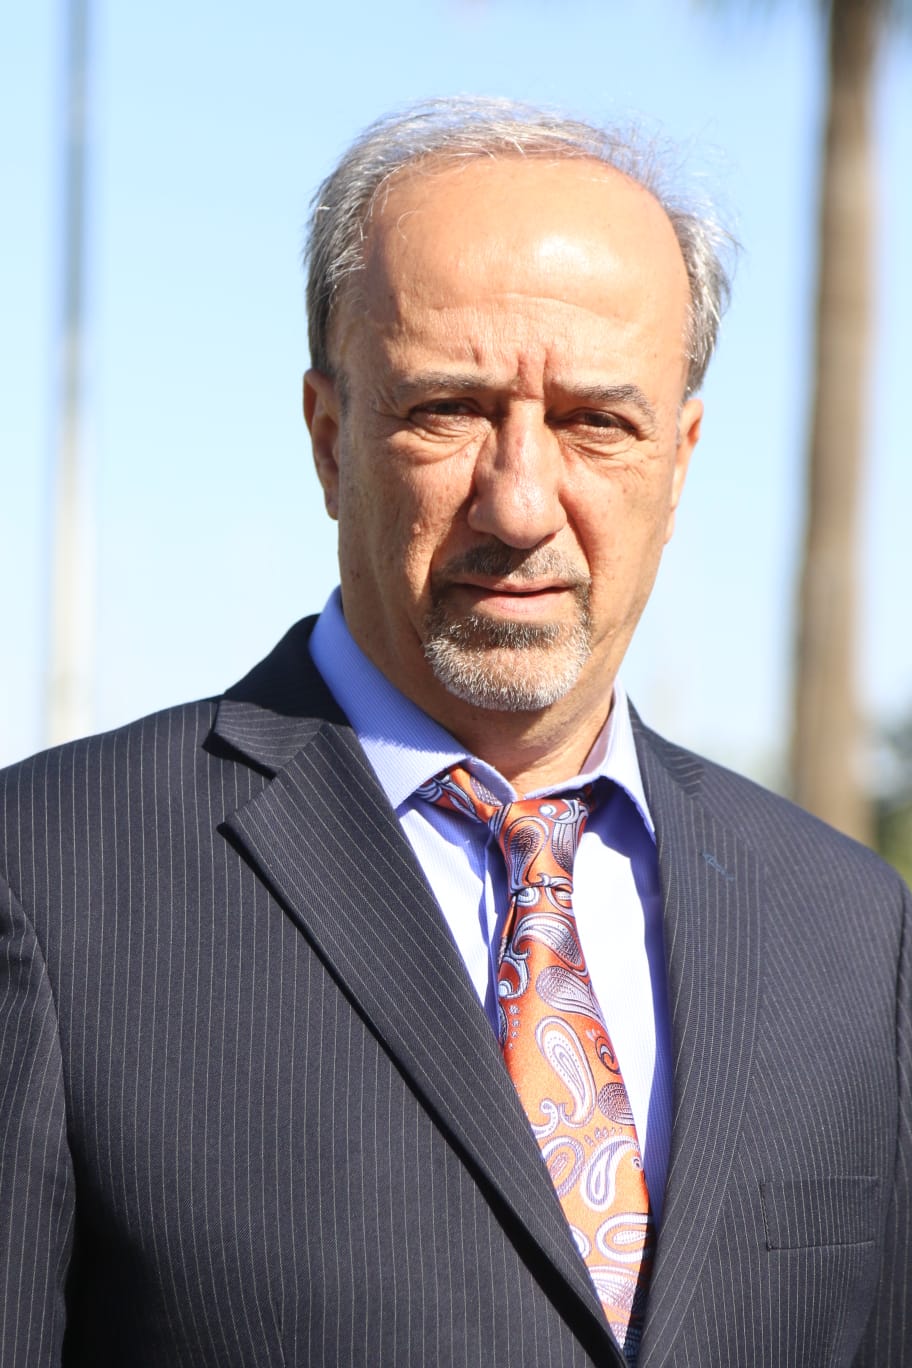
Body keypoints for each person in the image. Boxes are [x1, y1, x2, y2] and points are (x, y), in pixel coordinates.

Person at [1, 98, 908, 1368]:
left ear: (681, 458)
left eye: (597, 421)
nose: (520, 501)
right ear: (329, 439)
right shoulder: (48, 881)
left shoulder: (852, 932)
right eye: (449, 410)